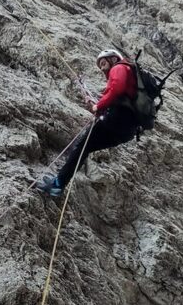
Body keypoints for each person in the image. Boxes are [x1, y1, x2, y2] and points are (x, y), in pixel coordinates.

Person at [36, 49, 139, 196]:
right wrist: (99, 108)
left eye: (103, 63)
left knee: (81, 146)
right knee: (84, 147)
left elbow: (117, 89)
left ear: (114, 59)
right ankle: (59, 183)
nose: (102, 67)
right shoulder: (130, 78)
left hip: (117, 120)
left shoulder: (120, 67)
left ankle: (58, 184)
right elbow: (115, 97)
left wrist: (98, 106)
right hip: (126, 130)